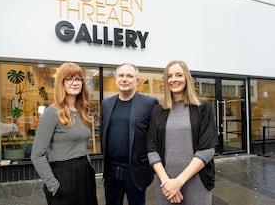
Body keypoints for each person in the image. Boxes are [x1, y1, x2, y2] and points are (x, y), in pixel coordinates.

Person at [147, 60, 219, 205]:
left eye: (179, 75)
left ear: (187, 77)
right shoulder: (158, 111)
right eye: (169, 76)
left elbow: (207, 149)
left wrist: (178, 182)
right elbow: (151, 149)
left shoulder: (203, 108)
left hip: (197, 181)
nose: (173, 80)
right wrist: (168, 183)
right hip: (165, 183)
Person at [31, 62, 98, 205]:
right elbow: (36, 154)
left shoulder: (82, 111)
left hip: (84, 174)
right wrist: (53, 185)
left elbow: (81, 145)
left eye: (79, 79)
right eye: (69, 79)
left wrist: (89, 169)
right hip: (64, 176)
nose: (75, 83)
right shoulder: (52, 112)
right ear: (61, 82)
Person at [101, 63, 159, 205]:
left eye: (129, 76)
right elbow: (103, 132)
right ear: (116, 79)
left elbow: (155, 137)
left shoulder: (149, 103)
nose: (124, 79)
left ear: (137, 81)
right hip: (111, 170)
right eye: (121, 75)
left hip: (136, 171)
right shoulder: (106, 104)